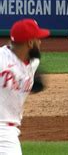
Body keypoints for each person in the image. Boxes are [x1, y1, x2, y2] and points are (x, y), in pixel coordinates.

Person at [0, 18, 49, 154]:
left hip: (10, 131)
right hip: (4, 134)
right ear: (30, 42)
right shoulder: (2, 59)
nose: (40, 42)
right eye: (38, 39)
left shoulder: (33, 62)